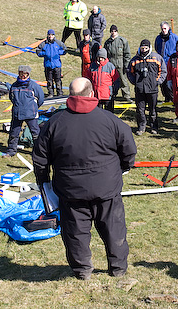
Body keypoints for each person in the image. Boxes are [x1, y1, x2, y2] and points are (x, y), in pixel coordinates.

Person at [32, 77, 137, 280]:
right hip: (105, 187)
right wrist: (122, 169)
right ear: (91, 94)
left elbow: (40, 159)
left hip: (72, 191)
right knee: (113, 228)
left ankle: (82, 270)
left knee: (75, 233)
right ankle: (117, 268)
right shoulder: (110, 120)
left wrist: (44, 182)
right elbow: (129, 151)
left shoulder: (54, 123)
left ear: (70, 96)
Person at [127, 39, 167, 135]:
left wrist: (157, 81)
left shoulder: (156, 58)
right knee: (140, 110)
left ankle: (154, 127)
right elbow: (129, 72)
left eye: (146, 48)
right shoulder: (134, 60)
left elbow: (163, 71)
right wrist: (135, 82)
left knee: (153, 110)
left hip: (152, 89)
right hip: (139, 90)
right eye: (142, 48)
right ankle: (141, 127)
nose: (144, 50)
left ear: (149, 48)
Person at [5, 65, 45, 157]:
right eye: (21, 74)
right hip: (17, 114)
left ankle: (39, 152)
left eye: (25, 74)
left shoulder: (34, 86)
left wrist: (33, 107)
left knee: (36, 134)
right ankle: (11, 151)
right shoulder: (14, 86)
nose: (23, 76)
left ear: (28, 74)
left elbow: (41, 99)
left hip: (31, 114)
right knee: (13, 133)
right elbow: (12, 98)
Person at [104, 25, 132, 102]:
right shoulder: (107, 42)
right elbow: (105, 54)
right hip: (111, 64)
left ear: (117, 31)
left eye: (115, 31)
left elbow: (127, 54)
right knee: (111, 81)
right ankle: (112, 94)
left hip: (120, 64)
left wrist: (126, 65)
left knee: (123, 81)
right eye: (112, 31)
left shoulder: (122, 41)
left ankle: (126, 96)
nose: (113, 33)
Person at [154, 21, 178, 102]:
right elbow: (157, 48)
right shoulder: (158, 38)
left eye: (165, 28)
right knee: (162, 82)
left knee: (171, 82)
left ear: (168, 28)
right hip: (161, 63)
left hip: (171, 63)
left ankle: (173, 99)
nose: (163, 30)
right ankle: (166, 98)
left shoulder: (174, 38)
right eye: (162, 29)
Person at [37, 29, 66, 98]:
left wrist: (58, 53)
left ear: (54, 35)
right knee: (49, 81)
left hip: (57, 65)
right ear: (47, 35)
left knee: (58, 80)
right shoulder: (44, 44)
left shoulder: (58, 43)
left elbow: (65, 49)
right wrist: (45, 54)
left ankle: (59, 93)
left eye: (52, 35)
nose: (50, 36)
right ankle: (51, 93)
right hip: (48, 65)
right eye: (49, 35)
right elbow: (38, 51)